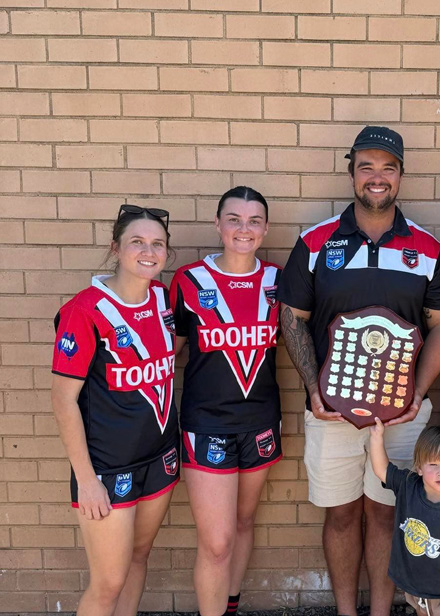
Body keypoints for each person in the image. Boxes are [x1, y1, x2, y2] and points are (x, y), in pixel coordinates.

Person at [277, 126, 440, 616]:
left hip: (401, 414)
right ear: (351, 172)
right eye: (366, 167)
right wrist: (313, 389)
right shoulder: (316, 242)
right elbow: (291, 317)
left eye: (388, 168)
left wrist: (417, 394)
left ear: (401, 175)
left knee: (385, 514)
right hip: (330, 410)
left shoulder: (426, 248)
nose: (377, 177)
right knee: (340, 516)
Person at [51, 205, 179, 616]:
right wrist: (87, 480)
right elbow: (63, 400)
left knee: (138, 558)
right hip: (107, 467)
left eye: (157, 243)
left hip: (159, 456)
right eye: (137, 242)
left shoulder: (162, 298)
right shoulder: (85, 310)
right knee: (108, 583)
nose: (148, 251)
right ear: (115, 248)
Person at [169, 186, 283, 616]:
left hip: (261, 420)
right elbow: (168, 353)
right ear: (217, 224)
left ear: (266, 229)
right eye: (234, 219)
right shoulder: (189, 280)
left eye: (254, 221)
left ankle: (229, 606)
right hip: (206, 423)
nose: (243, 229)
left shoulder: (278, 280)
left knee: (244, 522)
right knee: (217, 543)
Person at [369, 418, 440, 616]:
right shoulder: (407, 486)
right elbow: (382, 470)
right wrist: (376, 437)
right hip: (416, 588)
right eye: (433, 464)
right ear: (420, 467)